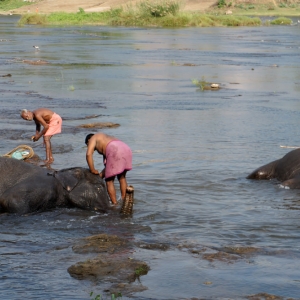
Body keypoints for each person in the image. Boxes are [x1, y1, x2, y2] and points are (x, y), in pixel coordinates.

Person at [85, 133, 132, 205]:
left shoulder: (93, 138)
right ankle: (124, 200)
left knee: (109, 180)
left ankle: (114, 204)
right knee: (122, 177)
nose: (89, 147)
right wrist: (100, 176)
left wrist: (92, 170)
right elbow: (109, 166)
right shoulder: (106, 138)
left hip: (114, 149)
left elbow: (88, 154)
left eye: (87, 145)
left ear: (89, 140)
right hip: (125, 148)